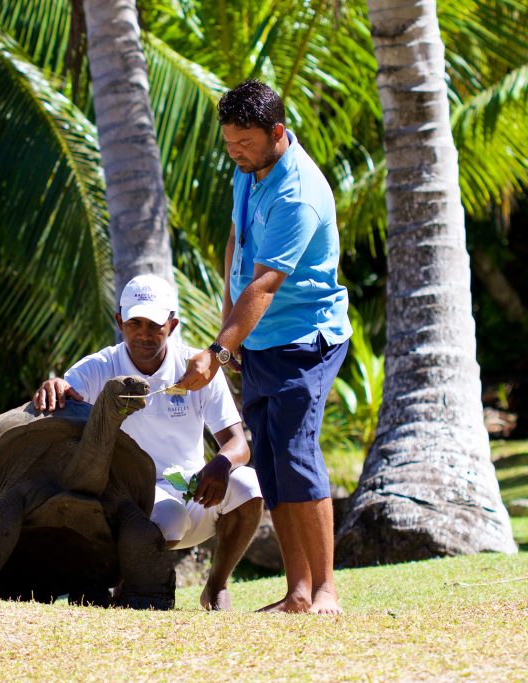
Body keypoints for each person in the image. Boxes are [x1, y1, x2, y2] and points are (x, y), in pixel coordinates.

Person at [178, 80, 352, 614]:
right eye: (228, 142)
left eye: (244, 142)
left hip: (306, 339)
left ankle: (325, 592)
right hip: (261, 340)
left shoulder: (298, 192)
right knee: (273, 462)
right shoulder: (248, 170)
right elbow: (237, 240)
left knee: (296, 454)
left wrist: (218, 348)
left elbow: (266, 285)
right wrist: (233, 333)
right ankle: (297, 591)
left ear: (277, 132)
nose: (234, 151)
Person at [34, 274, 264, 611]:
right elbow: (67, 394)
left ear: (172, 325)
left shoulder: (197, 368)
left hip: (193, 488)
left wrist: (221, 463)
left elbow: (237, 443)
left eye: (154, 324)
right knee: (167, 515)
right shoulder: (100, 366)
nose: (144, 333)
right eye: (134, 322)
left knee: (250, 486)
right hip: (127, 500)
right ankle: (127, 586)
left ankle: (215, 587)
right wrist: (54, 385)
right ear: (119, 322)